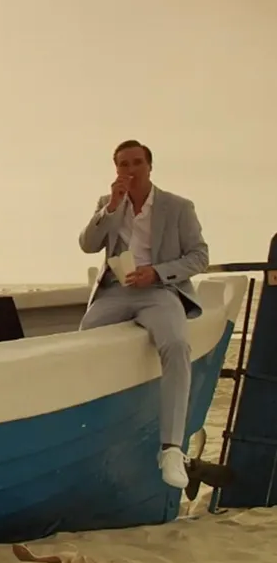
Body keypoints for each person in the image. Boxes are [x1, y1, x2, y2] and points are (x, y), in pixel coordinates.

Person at [78, 139, 209, 490]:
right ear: (116, 169)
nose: (131, 170)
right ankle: (90, 431)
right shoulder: (108, 204)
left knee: (177, 345)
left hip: (159, 291)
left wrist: (158, 272)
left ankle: (171, 449)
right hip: (114, 293)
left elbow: (199, 256)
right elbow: (88, 245)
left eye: (137, 163)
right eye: (123, 164)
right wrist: (111, 207)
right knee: (83, 343)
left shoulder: (178, 207)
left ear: (150, 166)